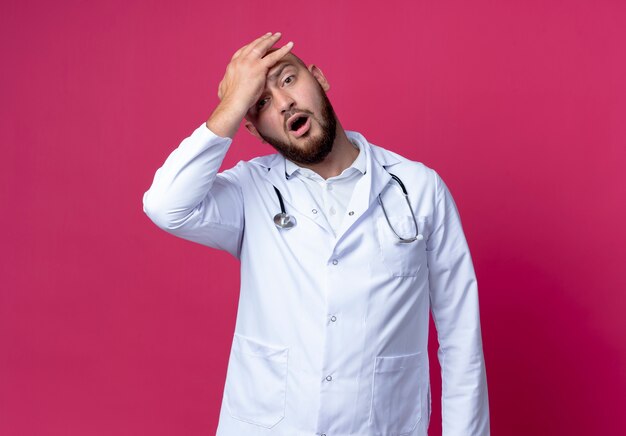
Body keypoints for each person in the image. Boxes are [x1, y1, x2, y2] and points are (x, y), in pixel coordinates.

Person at [142, 32, 490, 436]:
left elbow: (461, 339)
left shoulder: (419, 189)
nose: (285, 102)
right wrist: (231, 105)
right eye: (262, 102)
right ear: (251, 128)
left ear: (319, 78)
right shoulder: (250, 192)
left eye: (288, 80)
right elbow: (166, 205)